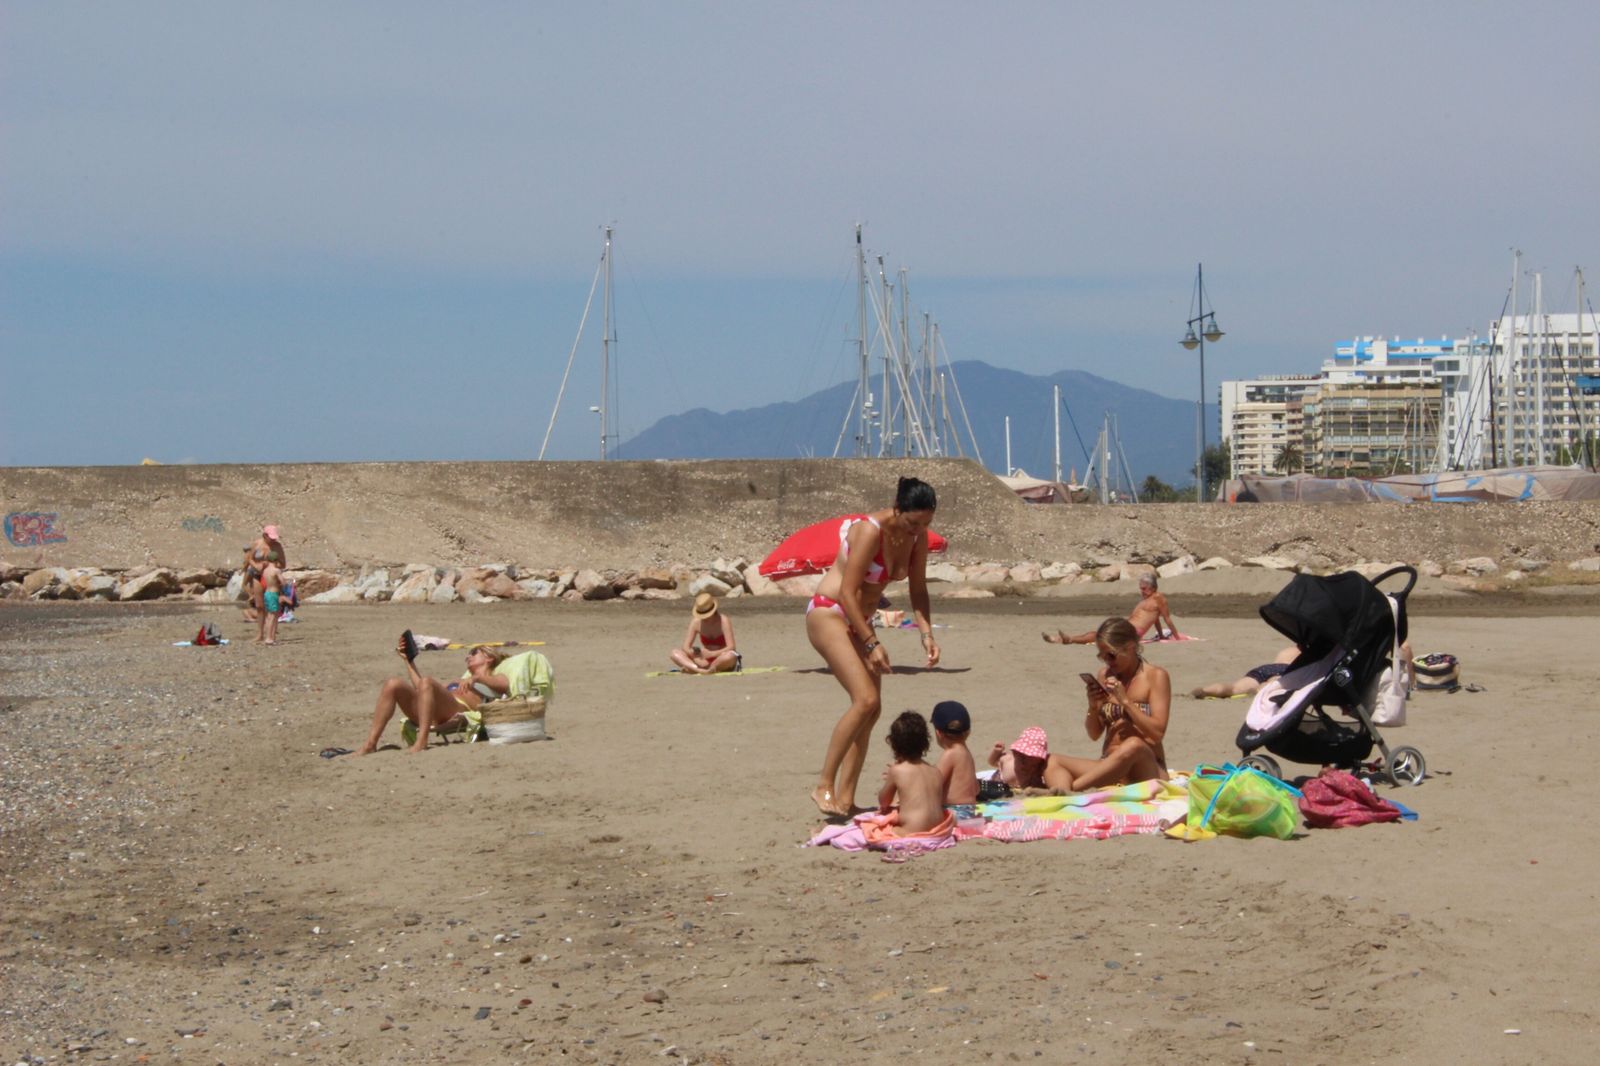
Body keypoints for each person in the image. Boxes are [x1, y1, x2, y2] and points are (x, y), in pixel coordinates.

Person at [808, 476, 942, 818]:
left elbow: (918, 588)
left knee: (873, 710)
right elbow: (849, 593)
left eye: (925, 523)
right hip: (830, 613)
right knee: (864, 699)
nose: (918, 530)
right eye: (913, 522)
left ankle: (846, 799)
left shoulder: (917, 537)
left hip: (860, 622)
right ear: (897, 508)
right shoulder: (870, 531)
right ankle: (824, 783)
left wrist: (926, 633)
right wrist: (872, 643)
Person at [1044, 617, 1172, 791]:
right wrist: (1093, 706)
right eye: (1102, 656)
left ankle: (1071, 790)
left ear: (1131, 647)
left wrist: (1125, 701)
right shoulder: (1105, 675)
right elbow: (1094, 734)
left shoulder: (1155, 676)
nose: (1107, 661)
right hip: (1108, 766)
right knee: (1051, 760)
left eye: (1111, 655)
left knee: (1133, 745)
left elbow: (1157, 733)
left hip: (1145, 769)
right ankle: (1061, 795)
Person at [355, 636, 511, 755]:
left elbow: (505, 685)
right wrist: (408, 662)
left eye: (474, 653)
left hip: (456, 711)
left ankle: (421, 741)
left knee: (427, 681)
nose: (468, 656)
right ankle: (370, 744)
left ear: (489, 658)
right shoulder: (459, 680)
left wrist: (477, 678)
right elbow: (422, 688)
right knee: (393, 684)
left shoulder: (493, 678)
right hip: (430, 712)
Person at [1042, 572, 1180, 645]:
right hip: (1128, 627)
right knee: (1099, 632)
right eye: (1141, 588)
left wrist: (1177, 637)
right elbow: (1155, 619)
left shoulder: (1159, 598)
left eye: (1144, 589)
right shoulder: (1149, 599)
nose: (1142, 591)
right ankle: (1060, 639)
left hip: (1132, 633)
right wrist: (1161, 635)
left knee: (1099, 635)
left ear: (1153, 587)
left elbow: (1167, 619)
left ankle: (1068, 640)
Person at [875, 711, 946, 836]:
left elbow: (884, 801)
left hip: (912, 830)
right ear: (925, 742)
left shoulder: (897, 770)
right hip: (938, 829)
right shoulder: (936, 771)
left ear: (893, 743)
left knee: (871, 827)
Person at [1188, 645, 1299, 699]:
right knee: (1272, 682)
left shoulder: (1289, 649)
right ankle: (1258, 690)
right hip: (1285, 669)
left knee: (1234, 688)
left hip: (1266, 668)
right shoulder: (1308, 653)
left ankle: (1205, 690)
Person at [669, 592, 740, 674]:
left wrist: (712, 654)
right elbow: (685, 646)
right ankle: (699, 670)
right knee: (674, 653)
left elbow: (731, 647)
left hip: (720, 657)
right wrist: (693, 653)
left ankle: (703, 669)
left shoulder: (723, 621)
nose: (704, 618)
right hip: (703, 659)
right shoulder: (696, 622)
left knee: (730, 656)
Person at [930, 700, 978, 805]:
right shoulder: (966, 752)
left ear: (938, 733)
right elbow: (976, 789)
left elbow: (932, 786)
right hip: (971, 812)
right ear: (968, 732)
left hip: (956, 812)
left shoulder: (950, 754)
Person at [240, 524, 288, 623]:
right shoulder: (257, 544)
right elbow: (250, 559)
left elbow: (283, 564)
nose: (273, 540)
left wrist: (271, 565)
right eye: (271, 538)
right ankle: (260, 633)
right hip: (257, 574)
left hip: (270, 577)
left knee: (269, 603)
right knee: (259, 605)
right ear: (265, 535)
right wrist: (256, 566)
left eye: (274, 538)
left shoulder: (277, 546)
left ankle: (269, 626)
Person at [257, 563, 285, 645]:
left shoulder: (265, 570)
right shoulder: (276, 570)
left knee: (270, 616)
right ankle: (269, 638)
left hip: (267, 593)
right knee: (272, 617)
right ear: (276, 561)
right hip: (273, 594)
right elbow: (283, 582)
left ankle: (271, 637)